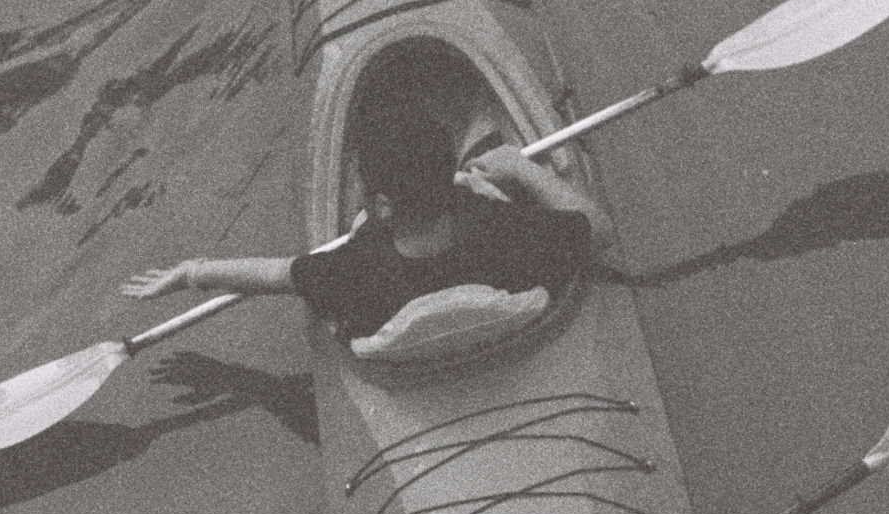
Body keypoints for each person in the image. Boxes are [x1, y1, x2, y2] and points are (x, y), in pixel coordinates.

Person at [119, 106, 611, 339]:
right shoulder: (511, 232)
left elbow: (274, 274)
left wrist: (191, 272)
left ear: (382, 205)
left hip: (402, 315)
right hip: (493, 278)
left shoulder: (352, 271)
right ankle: (478, 152)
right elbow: (597, 228)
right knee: (484, 120)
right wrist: (519, 169)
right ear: (450, 180)